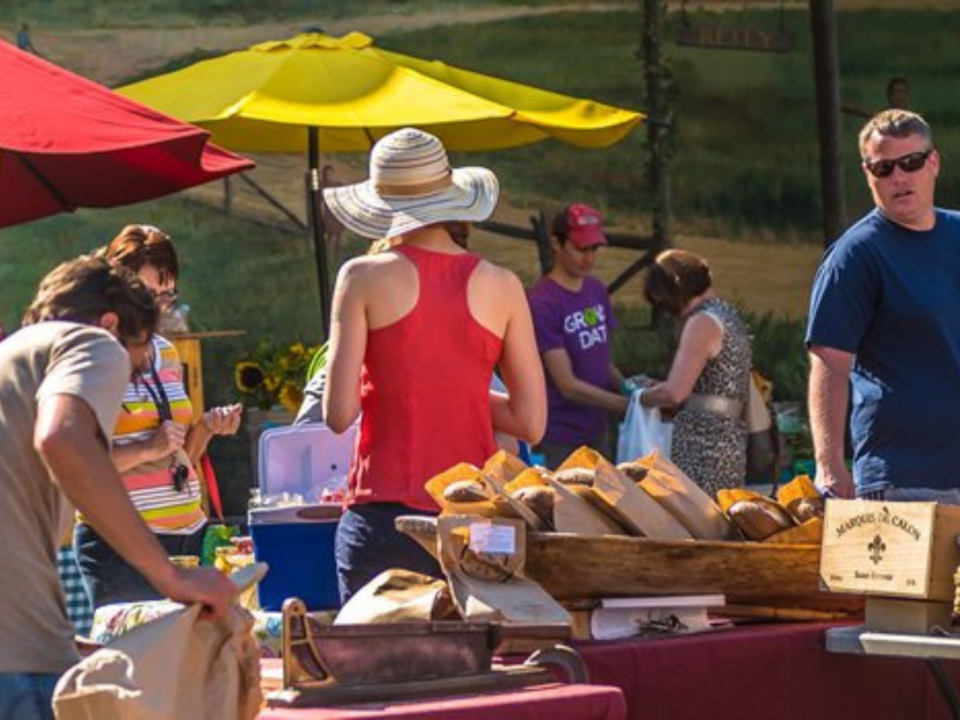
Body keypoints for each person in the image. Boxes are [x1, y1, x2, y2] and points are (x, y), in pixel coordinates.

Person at [0, 256, 235, 718]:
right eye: (141, 353)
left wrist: (65, 639)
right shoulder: (94, 342)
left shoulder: (15, 357)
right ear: (112, 323)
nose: (138, 370)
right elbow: (62, 438)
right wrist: (173, 577)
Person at [321, 127, 546, 602]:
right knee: (478, 673)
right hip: (474, 518)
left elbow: (337, 413)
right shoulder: (502, 284)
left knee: (378, 671)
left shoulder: (360, 276)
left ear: (382, 206)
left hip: (383, 517)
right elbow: (531, 423)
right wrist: (455, 390)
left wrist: (408, 385)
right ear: (453, 200)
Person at [73, 225, 243, 609]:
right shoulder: (93, 354)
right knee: (135, 665)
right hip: (122, 544)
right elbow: (77, 460)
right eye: (149, 295)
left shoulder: (165, 352)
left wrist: (205, 429)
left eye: (167, 295)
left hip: (187, 536)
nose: (159, 308)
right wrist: (147, 447)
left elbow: (180, 454)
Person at [806, 109, 960, 503]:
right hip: (905, 477)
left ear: (934, 163)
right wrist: (830, 467)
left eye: (911, 162)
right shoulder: (856, 255)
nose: (899, 177)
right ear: (868, 174)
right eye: (884, 168)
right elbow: (829, 365)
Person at [640, 249, 752, 498]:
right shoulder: (727, 314)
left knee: (695, 526)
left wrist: (641, 397)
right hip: (729, 443)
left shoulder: (701, 322)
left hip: (702, 448)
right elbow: (710, 386)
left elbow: (675, 393)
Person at [527, 204, 629, 469]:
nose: (589, 258)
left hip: (597, 430)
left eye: (594, 249)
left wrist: (630, 388)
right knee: (567, 508)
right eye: (581, 248)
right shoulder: (544, 302)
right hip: (561, 436)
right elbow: (567, 385)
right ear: (557, 244)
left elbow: (600, 360)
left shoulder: (596, 290)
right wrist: (625, 404)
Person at [842, 76, 909, 120]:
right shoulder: (883, 118)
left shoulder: (914, 122)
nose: (901, 96)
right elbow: (858, 110)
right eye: (897, 92)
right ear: (889, 96)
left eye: (904, 92)